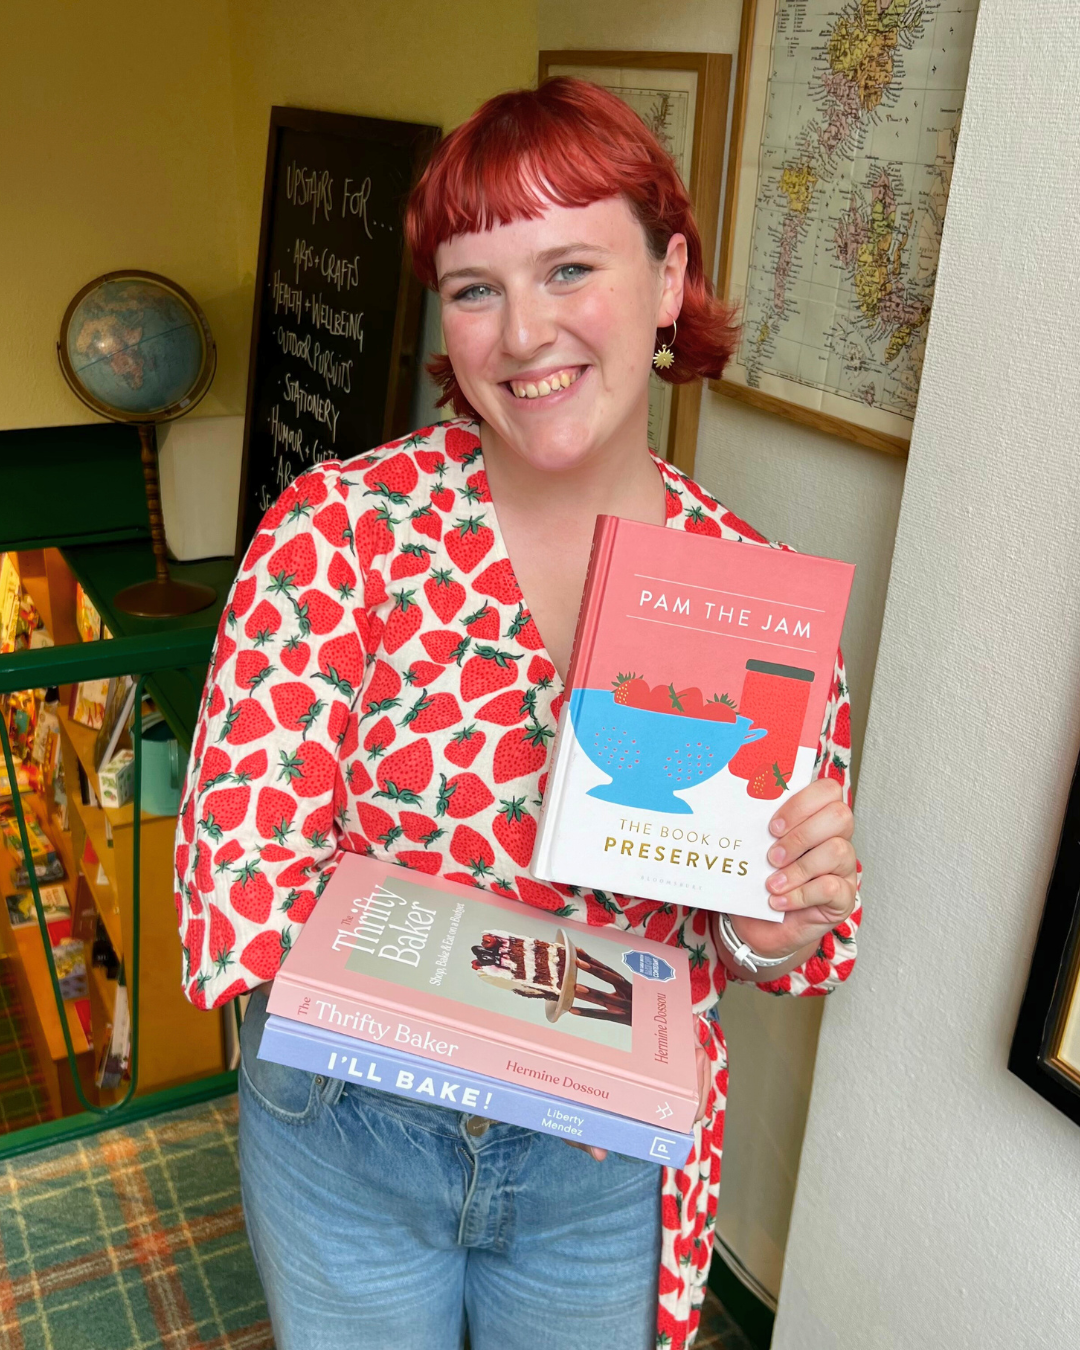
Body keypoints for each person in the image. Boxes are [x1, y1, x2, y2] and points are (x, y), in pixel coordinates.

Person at [173, 78, 861, 1350]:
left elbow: (788, 945)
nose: (523, 332)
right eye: (476, 287)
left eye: (569, 268)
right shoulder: (347, 532)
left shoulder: (745, 597)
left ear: (668, 279)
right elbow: (245, 865)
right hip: (353, 1120)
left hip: (601, 1157)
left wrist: (767, 923)